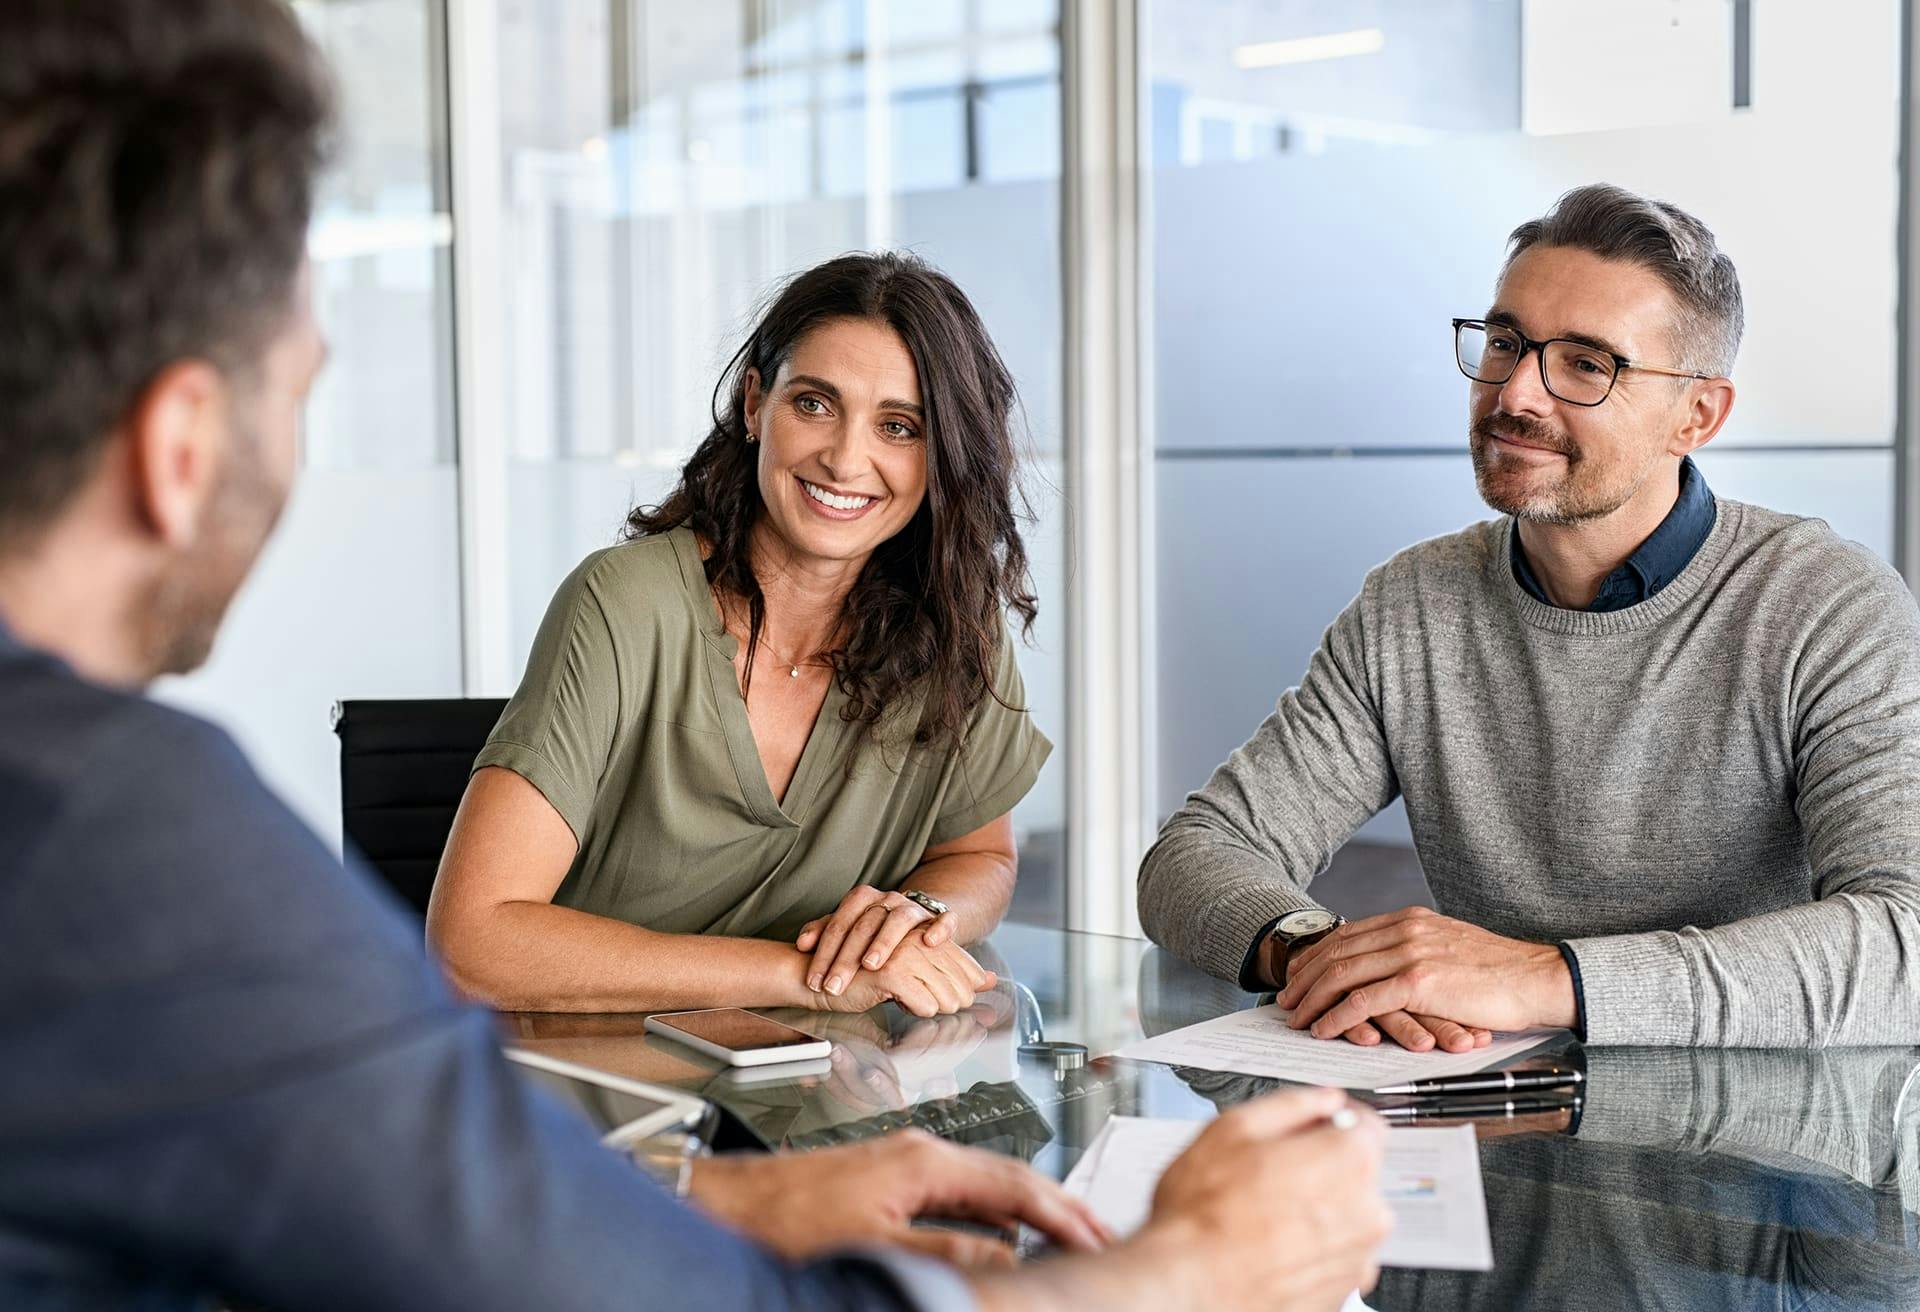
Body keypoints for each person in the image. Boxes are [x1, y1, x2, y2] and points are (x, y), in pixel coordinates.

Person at [0, 3, 1394, 1310]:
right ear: (181, 448)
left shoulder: (97, 835)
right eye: (303, 389)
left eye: (902, 427)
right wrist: (1176, 1269)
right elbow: (528, 1240)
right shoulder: (120, 845)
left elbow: (430, 1223)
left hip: (711, 1150)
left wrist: (764, 1180)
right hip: (601, 1119)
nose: (851, 455)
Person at [1140, 182, 1920, 1051]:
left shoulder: (1824, 605)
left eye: (1587, 364)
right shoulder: (1414, 603)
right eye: (1506, 343)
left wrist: (1546, 977)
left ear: (1696, 415)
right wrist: (1323, 955)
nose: (1516, 395)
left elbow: (1904, 946)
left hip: (1759, 1154)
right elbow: (1196, 854)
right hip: (1483, 1138)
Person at [428, 252, 1051, 1017]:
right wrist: (804, 979)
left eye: (899, 426)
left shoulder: (958, 626)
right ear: (755, 405)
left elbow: (978, 854)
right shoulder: (624, 604)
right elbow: (472, 943)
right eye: (815, 405)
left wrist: (918, 915)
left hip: (817, 1103)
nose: (846, 458)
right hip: (588, 1095)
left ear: (942, 453)